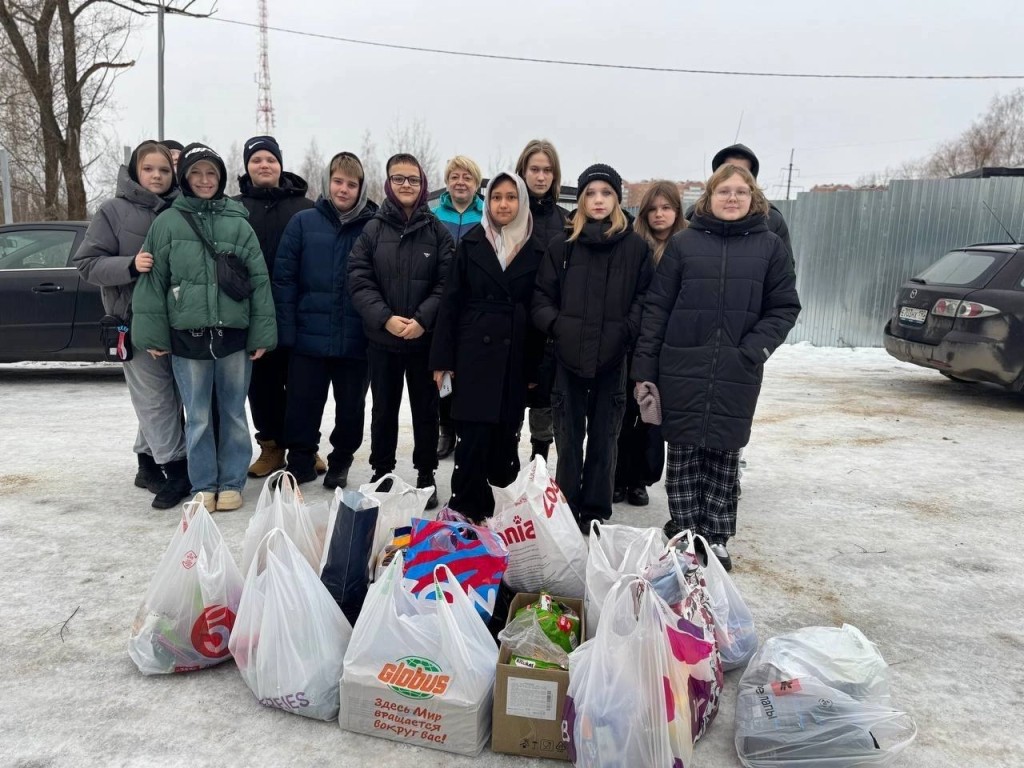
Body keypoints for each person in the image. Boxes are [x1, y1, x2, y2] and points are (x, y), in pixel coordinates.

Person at [632, 163, 800, 571]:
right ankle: (685, 531)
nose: (732, 198)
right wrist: (645, 369)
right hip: (681, 365)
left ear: (753, 198)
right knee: (684, 454)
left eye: (741, 192)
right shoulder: (684, 244)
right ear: (709, 196)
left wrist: (754, 350)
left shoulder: (769, 246)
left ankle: (717, 535)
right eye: (724, 191)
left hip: (737, 370)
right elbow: (657, 307)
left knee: (724, 455)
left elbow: (784, 307)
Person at [132, 143, 277, 512]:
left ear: (221, 177)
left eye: (211, 173)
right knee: (196, 417)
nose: (204, 180)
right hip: (187, 337)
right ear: (185, 178)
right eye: (196, 173)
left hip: (233, 337)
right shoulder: (167, 223)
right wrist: (153, 336)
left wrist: (261, 334)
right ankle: (202, 484)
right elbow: (154, 284)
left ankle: (231, 481)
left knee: (232, 413)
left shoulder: (238, 222)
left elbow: (259, 281)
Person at [532, 164, 653, 532]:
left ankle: (597, 511)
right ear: (581, 199)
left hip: (613, 360)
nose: (598, 200)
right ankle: (567, 508)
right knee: (568, 441)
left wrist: (625, 332)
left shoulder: (635, 248)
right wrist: (559, 327)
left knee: (605, 439)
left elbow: (644, 298)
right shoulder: (562, 246)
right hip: (568, 360)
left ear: (616, 199)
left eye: (606, 193)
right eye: (590, 193)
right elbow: (541, 297)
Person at [73, 141, 190, 509]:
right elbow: (87, 264)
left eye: (164, 170)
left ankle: (146, 463)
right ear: (135, 171)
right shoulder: (114, 211)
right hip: (134, 323)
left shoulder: (182, 209)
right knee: (157, 401)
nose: (157, 176)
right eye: (149, 169)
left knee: (163, 398)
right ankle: (178, 470)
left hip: (179, 322)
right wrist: (129, 264)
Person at [430, 171, 545, 521]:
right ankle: (464, 514)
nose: (504, 204)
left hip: (513, 358)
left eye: (511, 197)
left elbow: (540, 313)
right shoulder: (472, 243)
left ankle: (500, 520)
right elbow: (450, 304)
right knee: (472, 441)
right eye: (497, 197)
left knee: (505, 441)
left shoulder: (537, 248)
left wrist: (535, 367)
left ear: (521, 201)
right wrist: (442, 359)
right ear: (488, 201)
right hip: (472, 356)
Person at [348, 153, 454, 509]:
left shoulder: (437, 231)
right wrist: (385, 318)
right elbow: (359, 279)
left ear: (422, 184)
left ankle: (426, 474)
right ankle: (382, 472)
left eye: (412, 179)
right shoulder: (373, 230)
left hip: (424, 342)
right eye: (398, 179)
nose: (405, 185)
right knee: (384, 410)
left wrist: (423, 319)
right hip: (382, 340)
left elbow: (447, 282)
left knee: (426, 412)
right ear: (388, 183)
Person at [273, 152, 378, 489]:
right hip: (308, 338)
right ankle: (300, 462)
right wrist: (286, 331)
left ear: (361, 188)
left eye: (351, 184)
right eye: (338, 181)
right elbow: (284, 279)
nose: (343, 189)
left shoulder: (374, 226)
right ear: (327, 182)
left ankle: (340, 462)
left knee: (351, 409)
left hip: (356, 339)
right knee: (302, 405)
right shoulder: (303, 223)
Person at [235, 135, 315, 479]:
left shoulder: (305, 207)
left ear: (281, 164)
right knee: (262, 386)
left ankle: (304, 447)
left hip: (298, 312)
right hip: (252, 315)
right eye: (256, 160)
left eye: (270, 159)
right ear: (247, 166)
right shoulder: (234, 208)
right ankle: (270, 447)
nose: (264, 165)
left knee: (302, 386)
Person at [612, 181, 686, 507]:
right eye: (653, 208)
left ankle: (641, 479)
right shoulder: (633, 245)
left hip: (669, 346)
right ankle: (616, 476)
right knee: (624, 413)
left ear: (677, 211)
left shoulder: (687, 246)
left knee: (653, 417)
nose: (659, 214)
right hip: (632, 342)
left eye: (666, 207)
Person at [515, 139, 567, 462]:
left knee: (544, 403)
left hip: (549, 327)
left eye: (547, 170)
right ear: (523, 171)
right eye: (534, 169)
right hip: (513, 324)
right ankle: (506, 470)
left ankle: (539, 466)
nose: (541, 176)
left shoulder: (566, 220)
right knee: (511, 403)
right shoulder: (507, 212)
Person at [432, 155, 485, 460]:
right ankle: (446, 428)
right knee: (443, 368)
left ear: (476, 183)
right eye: (454, 177)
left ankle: (466, 427)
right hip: (441, 301)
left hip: (474, 303)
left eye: (467, 177)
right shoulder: (433, 213)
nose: (460, 182)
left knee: (470, 370)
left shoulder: (486, 214)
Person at [686, 143, 794, 267]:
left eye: (743, 171)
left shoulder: (771, 219)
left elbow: (784, 272)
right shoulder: (695, 215)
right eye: (729, 169)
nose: (735, 175)